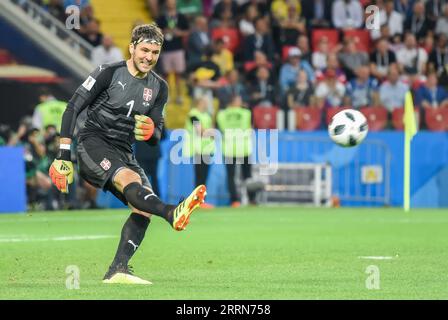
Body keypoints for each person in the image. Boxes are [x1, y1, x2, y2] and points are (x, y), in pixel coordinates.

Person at [48, 23, 207, 285]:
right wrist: (63, 154)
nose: (149, 57)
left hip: (124, 151)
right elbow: (72, 108)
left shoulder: (160, 87)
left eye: (155, 53)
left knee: (143, 206)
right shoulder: (107, 72)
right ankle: (171, 212)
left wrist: (150, 133)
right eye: (144, 50)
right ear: (132, 47)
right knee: (132, 182)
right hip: (93, 143)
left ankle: (117, 270)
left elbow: (156, 136)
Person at [216, 95, 258, 207]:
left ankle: (234, 200)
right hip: (244, 147)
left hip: (229, 148)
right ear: (235, 102)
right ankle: (252, 199)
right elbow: (250, 127)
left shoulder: (222, 114)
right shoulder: (246, 113)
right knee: (247, 175)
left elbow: (221, 128)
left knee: (231, 176)